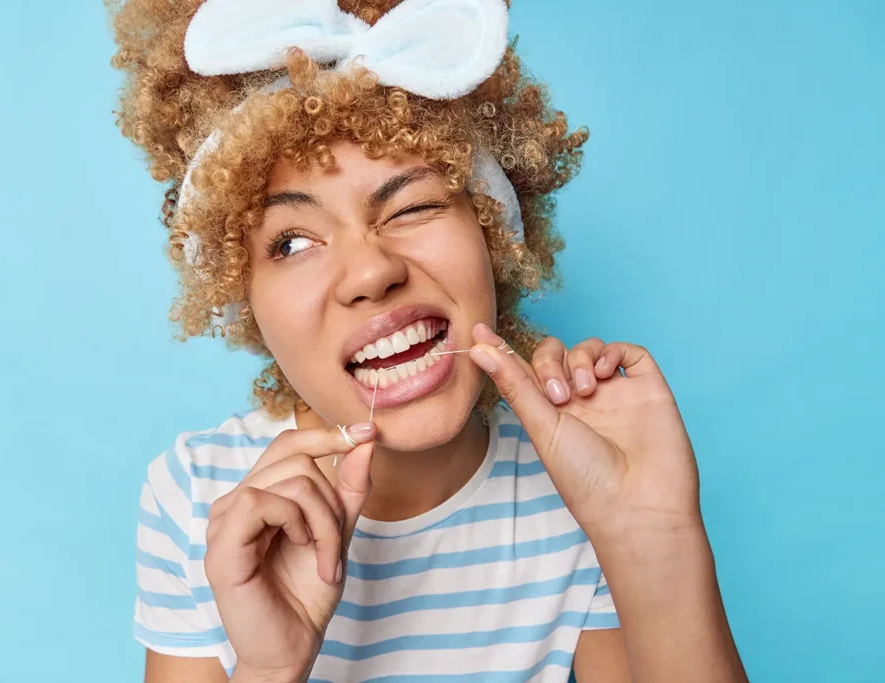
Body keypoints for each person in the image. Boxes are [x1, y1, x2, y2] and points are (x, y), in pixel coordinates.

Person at [108, 0, 749, 681]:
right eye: (292, 242)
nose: (371, 271)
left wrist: (652, 538)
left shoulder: (579, 483)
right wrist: (268, 668)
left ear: (493, 232)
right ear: (242, 297)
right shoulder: (198, 494)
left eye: (413, 206)